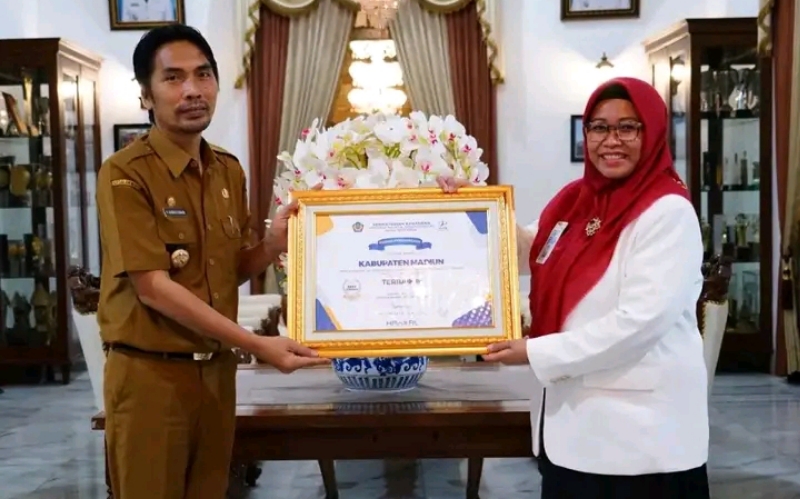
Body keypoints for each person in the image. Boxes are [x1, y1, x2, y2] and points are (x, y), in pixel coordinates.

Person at [439, 77, 710, 498]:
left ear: (653, 133)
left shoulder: (667, 212)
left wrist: (534, 352)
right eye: (599, 127)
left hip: (641, 445)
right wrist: (477, 209)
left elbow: (636, 325)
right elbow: (529, 251)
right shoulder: (577, 199)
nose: (611, 140)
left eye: (628, 127)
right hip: (571, 433)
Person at [96, 25, 328, 499]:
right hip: (151, 378)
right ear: (146, 95)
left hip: (218, 376)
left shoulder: (227, 169)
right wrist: (256, 344)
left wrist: (271, 245)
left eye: (203, 75)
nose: (192, 90)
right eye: (173, 78)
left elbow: (225, 271)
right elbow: (153, 287)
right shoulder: (124, 174)